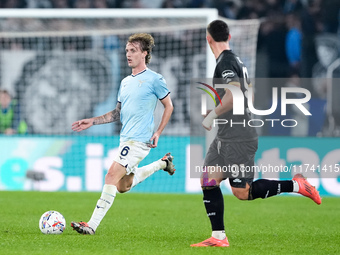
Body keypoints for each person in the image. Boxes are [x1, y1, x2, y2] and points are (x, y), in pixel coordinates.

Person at [190, 20, 321, 247]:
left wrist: (213, 115)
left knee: (242, 192)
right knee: (208, 180)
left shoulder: (227, 62)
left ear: (207, 38)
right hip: (227, 134)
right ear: (229, 37)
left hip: (239, 135)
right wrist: (217, 113)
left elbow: (236, 95)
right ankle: (219, 237)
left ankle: (297, 185)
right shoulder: (233, 60)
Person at [70, 33, 175, 235]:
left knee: (110, 176)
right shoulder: (125, 82)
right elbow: (117, 113)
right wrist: (92, 121)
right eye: (127, 50)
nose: (128, 54)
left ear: (144, 53)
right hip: (125, 139)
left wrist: (158, 132)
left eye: (133, 50)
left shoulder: (155, 79)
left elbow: (169, 106)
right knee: (122, 186)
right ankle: (163, 163)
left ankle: (91, 225)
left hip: (139, 141)